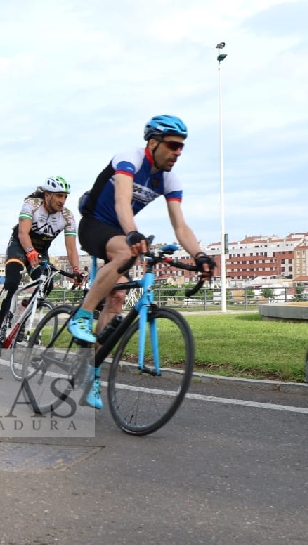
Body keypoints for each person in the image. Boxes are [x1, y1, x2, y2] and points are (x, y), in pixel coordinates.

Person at [69, 115, 215, 408]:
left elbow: (180, 226)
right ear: (153, 142)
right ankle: (82, 316)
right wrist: (132, 232)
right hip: (95, 224)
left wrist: (199, 254)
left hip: (121, 232)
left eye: (181, 147)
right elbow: (123, 201)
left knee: (117, 298)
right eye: (173, 146)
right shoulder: (130, 158)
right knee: (126, 251)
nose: (178, 153)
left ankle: (92, 373)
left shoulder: (169, 180)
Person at [0, 176, 84, 347]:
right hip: (20, 246)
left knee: (47, 284)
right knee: (11, 283)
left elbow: (71, 248)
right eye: (59, 196)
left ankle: (22, 313)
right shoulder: (32, 205)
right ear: (47, 195)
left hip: (40, 252)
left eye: (65, 196)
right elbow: (23, 233)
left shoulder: (67, 216)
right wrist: (30, 252)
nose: (63, 200)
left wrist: (76, 269)